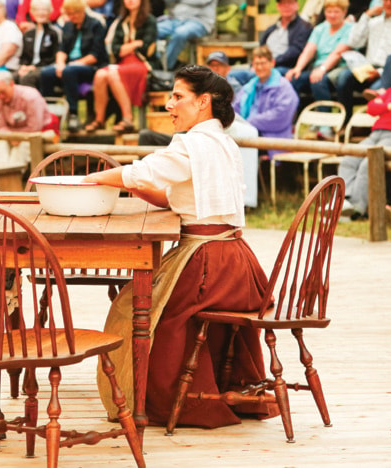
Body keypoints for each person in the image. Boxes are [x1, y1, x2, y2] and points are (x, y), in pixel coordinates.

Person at [83, 65, 278, 428]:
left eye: (177, 97)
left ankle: (172, 399)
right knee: (148, 303)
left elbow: (141, 172)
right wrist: (133, 185)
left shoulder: (192, 143)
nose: (170, 104)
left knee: (138, 309)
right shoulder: (224, 141)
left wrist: (91, 178)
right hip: (238, 262)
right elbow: (174, 195)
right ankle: (214, 387)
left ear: (203, 102)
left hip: (209, 262)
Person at [338, 52, 391, 220]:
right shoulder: (390, 91)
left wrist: (385, 106)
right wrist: (390, 106)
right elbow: (371, 107)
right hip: (376, 133)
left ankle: (357, 210)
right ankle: (346, 200)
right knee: (349, 158)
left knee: (368, 163)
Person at [84, 0, 158, 134]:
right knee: (100, 74)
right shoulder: (121, 21)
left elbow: (146, 48)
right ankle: (100, 120)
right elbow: (115, 49)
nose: (130, 1)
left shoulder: (150, 20)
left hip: (142, 64)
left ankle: (128, 118)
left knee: (112, 72)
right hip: (123, 63)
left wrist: (128, 48)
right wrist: (134, 44)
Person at [331, 0, 391, 121]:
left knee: (375, 91)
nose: (388, 4)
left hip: (390, 72)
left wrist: (380, 72)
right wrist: (366, 16)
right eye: (385, 0)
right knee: (343, 78)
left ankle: (372, 124)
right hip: (367, 68)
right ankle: (346, 120)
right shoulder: (374, 22)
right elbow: (354, 42)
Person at [39, 0, 108, 132]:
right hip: (69, 66)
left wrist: (73, 64)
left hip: (91, 66)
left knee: (69, 71)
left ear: (81, 11)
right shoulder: (68, 25)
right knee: (46, 73)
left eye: (73, 14)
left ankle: (73, 113)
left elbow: (95, 55)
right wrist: (60, 64)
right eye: (68, 14)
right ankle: (50, 111)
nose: (71, 17)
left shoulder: (96, 25)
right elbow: (62, 49)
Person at [233, 46, 299, 158]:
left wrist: (249, 123)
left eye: (263, 63)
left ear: (272, 63)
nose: (259, 67)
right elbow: (235, 108)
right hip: (248, 132)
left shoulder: (283, 86)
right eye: (256, 64)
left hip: (272, 137)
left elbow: (280, 115)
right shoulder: (249, 87)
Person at [285, 0, 353, 108]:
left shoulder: (351, 29)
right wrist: (297, 68)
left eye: (336, 12)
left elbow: (338, 53)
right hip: (317, 68)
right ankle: (294, 118)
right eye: (329, 11)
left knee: (318, 80)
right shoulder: (319, 29)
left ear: (344, 12)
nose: (332, 15)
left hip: (338, 69)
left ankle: (325, 120)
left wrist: (322, 69)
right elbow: (309, 50)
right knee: (293, 80)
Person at [229, 0, 312, 85]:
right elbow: (260, 48)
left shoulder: (304, 27)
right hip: (263, 65)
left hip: (284, 67)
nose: (286, 6)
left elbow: (295, 51)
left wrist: (271, 63)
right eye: (283, 4)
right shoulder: (272, 28)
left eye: (290, 3)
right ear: (278, 6)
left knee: (268, 74)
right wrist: (254, 64)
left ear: (297, 5)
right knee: (231, 75)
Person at [0, 70, 59, 167]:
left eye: (3, 92)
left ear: (11, 84)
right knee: (1, 142)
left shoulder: (30, 97)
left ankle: (14, 176)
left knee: (21, 146)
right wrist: (12, 137)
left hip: (39, 131)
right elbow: (1, 126)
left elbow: (35, 127)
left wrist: (17, 137)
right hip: (14, 134)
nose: (1, 96)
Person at [156, 0, 216, 71]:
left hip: (200, 21)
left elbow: (201, 1)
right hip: (176, 19)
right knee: (154, 29)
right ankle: (155, 62)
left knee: (180, 33)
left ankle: (164, 68)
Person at [14, 0, 62, 90]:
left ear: (50, 11)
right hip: (29, 68)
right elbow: (24, 57)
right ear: (32, 12)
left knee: (27, 78)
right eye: (37, 10)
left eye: (44, 10)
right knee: (11, 78)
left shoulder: (55, 32)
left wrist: (34, 67)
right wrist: (23, 67)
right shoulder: (28, 34)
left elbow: (54, 57)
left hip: (46, 68)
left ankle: (33, 103)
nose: (40, 13)